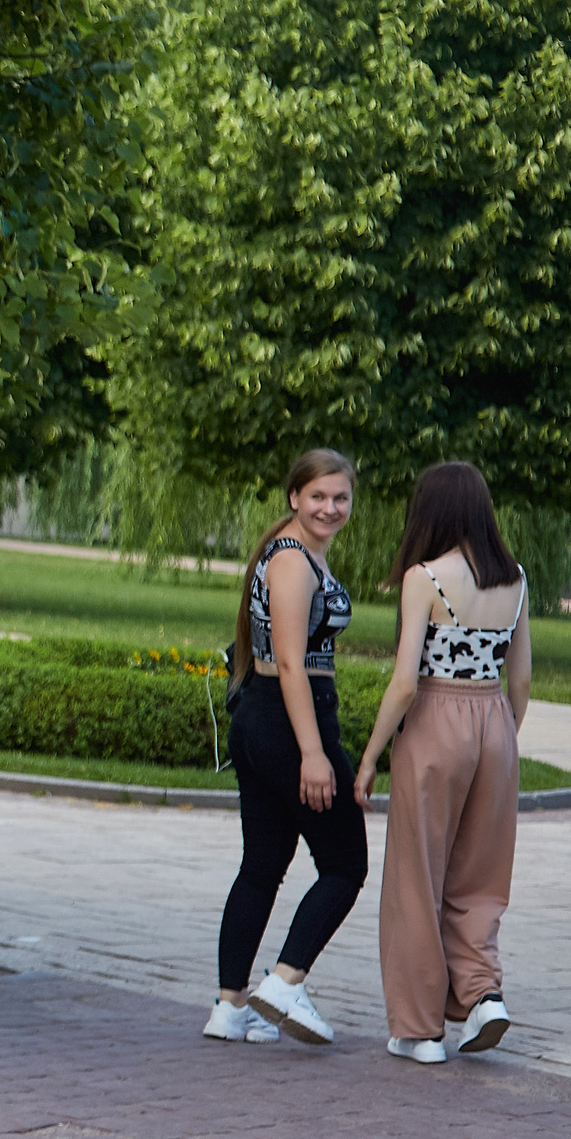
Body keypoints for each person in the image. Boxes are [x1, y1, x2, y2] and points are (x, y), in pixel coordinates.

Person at [353, 462, 530, 1064]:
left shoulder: (424, 577)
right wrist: (501, 740)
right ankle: (484, 995)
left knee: (416, 877)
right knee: (478, 876)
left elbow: (405, 683)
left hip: (436, 720)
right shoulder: (516, 580)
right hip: (495, 724)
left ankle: (420, 1028)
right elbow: (522, 679)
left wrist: (371, 755)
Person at [207, 447, 364, 1049]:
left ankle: (229, 1007)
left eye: (340, 497)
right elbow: (293, 664)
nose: (330, 507)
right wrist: (315, 754)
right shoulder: (294, 561)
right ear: (294, 497)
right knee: (346, 863)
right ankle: (285, 981)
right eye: (318, 496)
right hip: (290, 719)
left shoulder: (290, 553)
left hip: (263, 717)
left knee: (263, 864)